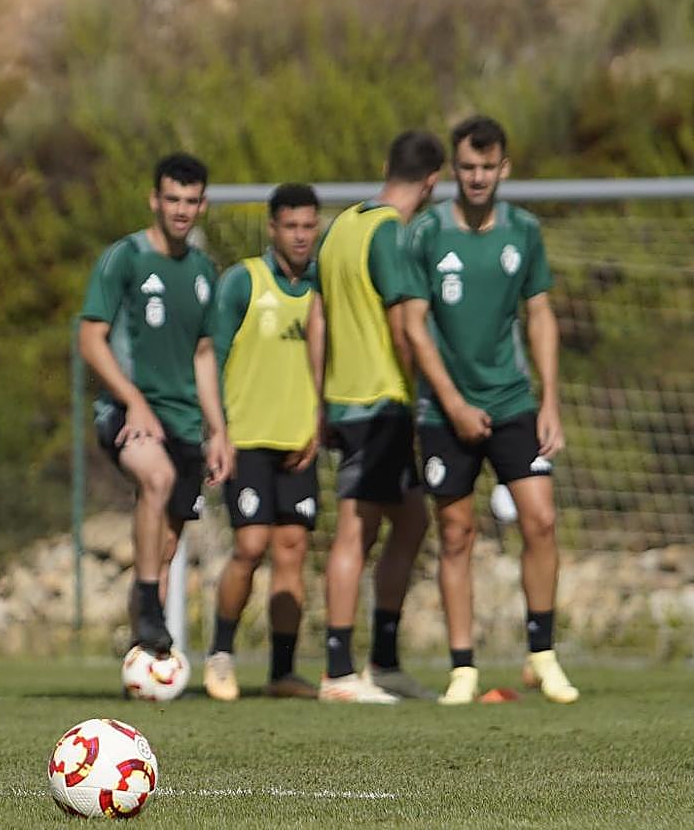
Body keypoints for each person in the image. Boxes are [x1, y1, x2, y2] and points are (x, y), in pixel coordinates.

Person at [404, 115, 579, 705]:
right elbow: (413, 327)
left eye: (488, 166)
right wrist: (451, 402)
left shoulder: (524, 231)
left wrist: (549, 400)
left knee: (541, 520)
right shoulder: (426, 234)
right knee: (455, 532)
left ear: (504, 167)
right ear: (454, 169)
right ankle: (462, 668)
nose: (478, 177)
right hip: (443, 409)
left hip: (512, 401)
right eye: (468, 167)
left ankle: (542, 654)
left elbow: (540, 315)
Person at [78, 153, 232, 659]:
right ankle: (148, 609)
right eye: (172, 199)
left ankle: (148, 663)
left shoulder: (205, 271)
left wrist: (218, 430)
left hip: (186, 421)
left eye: (191, 201)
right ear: (155, 200)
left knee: (165, 550)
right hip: (128, 411)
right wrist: (134, 402)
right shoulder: (125, 258)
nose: (181, 210)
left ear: (202, 205)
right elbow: (91, 340)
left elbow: (205, 355)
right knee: (156, 478)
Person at [315, 130, 445, 703]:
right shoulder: (390, 232)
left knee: (412, 521)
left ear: (385, 166)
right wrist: (425, 392)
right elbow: (402, 327)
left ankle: (385, 660)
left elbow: (318, 319)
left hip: (348, 401)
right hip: (378, 401)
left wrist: (320, 397)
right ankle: (339, 672)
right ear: (434, 181)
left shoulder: (343, 225)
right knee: (355, 531)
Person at [202, 183, 324, 701]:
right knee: (250, 545)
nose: (300, 236)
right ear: (272, 229)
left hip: (300, 440)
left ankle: (282, 671)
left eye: (308, 226)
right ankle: (221, 655)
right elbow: (209, 356)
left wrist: (320, 425)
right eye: (290, 226)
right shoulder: (242, 283)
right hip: (247, 437)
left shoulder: (324, 288)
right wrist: (219, 432)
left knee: (292, 550)